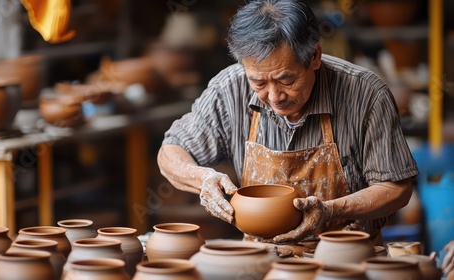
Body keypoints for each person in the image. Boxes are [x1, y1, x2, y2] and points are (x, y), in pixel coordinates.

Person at [157, 0, 418, 246]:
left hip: (346, 260)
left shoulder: (365, 93)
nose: (274, 96)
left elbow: (396, 188)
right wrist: (202, 178)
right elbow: (171, 150)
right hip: (260, 259)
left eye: (287, 80)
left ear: (314, 56)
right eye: (258, 82)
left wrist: (329, 210)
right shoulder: (229, 88)